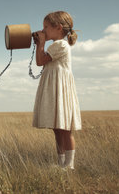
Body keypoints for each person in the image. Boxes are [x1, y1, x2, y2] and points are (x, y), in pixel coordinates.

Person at [32, 11, 82, 169]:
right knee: (57, 128)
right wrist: (39, 44)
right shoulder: (56, 45)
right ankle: (61, 163)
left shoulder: (60, 45)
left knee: (64, 128)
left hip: (59, 88)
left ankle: (69, 165)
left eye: (46, 27)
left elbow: (40, 61)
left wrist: (41, 44)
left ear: (58, 28)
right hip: (54, 88)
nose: (43, 30)